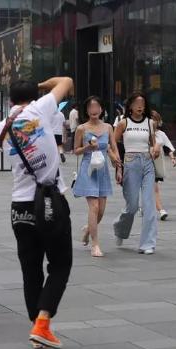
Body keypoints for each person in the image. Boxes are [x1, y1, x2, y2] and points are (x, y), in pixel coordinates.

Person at [0, 77, 74, 349]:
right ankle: (42, 323)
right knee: (61, 264)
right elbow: (66, 81)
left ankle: (38, 330)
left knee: (31, 270)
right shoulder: (40, 109)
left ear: (9, 100)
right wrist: (42, 86)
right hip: (50, 202)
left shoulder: (1, 128)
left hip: (20, 207)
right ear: (35, 96)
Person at [73, 96, 121, 257]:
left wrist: (118, 168)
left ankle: (88, 229)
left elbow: (114, 148)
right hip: (88, 169)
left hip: (103, 170)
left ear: (101, 109)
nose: (94, 110)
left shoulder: (108, 127)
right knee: (93, 207)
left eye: (97, 107)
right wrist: (87, 147)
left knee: (100, 211)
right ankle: (95, 245)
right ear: (86, 111)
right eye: (90, 107)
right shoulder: (82, 128)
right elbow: (76, 150)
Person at [113, 92, 160, 255]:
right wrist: (118, 167)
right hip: (130, 163)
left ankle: (148, 244)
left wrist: (156, 149)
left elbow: (153, 144)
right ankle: (120, 230)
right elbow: (113, 145)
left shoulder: (150, 123)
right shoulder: (123, 123)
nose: (140, 106)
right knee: (132, 206)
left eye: (143, 103)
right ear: (130, 106)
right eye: (137, 103)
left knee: (149, 205)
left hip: (147, 163)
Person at [151, 111, 176, 221]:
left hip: (157, 163)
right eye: (151, 119)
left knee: (153, 187)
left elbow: (167, 147)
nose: (153, 122)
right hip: (145, 162)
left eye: (155, 119)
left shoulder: (161, 134)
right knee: (152, 188)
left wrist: (172, 158)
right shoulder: (143, 134)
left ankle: (153, 208)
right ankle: (160, 210)